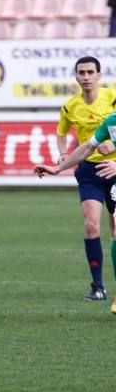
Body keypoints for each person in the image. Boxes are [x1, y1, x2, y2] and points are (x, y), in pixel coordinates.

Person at [34, 55, 116, 303]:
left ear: (99, 75)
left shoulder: (111, 97)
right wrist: (59, 163)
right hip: (90, 172)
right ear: (76, 76)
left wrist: (111, 147)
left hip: (114, 169)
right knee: (92, 224)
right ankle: (99, 286)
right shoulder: (72, 106)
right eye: (82, 72)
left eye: (91, 72)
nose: (86, 76)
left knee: (114, 228)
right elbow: (78, 141)